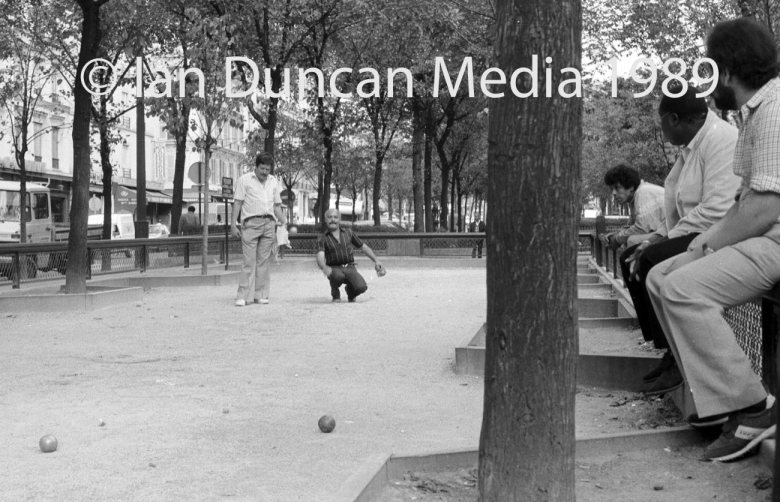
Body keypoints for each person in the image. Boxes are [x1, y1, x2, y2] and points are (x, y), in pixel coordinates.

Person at [646, 17, 780, 462]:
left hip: (775, 240)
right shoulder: (753, 111)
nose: (705, 86)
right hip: (763, 235)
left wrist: (704, 245)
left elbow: (763, 208)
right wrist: (699, 246)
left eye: (708, 71)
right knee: (661, 276)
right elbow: (748, 203)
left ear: (725, 71)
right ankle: (713, 401)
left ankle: (751, 407)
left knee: (682, 285)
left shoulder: (775, 108)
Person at [623, 86, 740, 396]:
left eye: (662, 124)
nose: (662, 133)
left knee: (649, 259)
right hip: (693, 232)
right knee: (631, 257)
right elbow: (676, 205)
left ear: (674, 119)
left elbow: (716, 209)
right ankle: (669, 349)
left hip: (719, 233)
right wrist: (658, 236)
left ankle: (679, 358)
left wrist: (661, 240)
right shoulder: (692, 145)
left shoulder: (721, 140)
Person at [231, 152, 286, 306]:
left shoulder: (274, 181)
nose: (264, 172)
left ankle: (260, 294)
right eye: (262, 168)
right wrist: (233, 224)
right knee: (248, 261)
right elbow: (238, 203)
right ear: (256, 166)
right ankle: (243, 295)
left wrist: (283, 222)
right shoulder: (244, 180)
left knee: (264, 262)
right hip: (250, 223)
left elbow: (276, 206)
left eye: (267, 169)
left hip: (269, 223)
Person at [316, 208, 385, 302]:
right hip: (334, 268)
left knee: (362, 287)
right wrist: (324, 267)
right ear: (325, 220)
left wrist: (376, 260)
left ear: (339, 219)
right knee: (337, 276)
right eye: (330, 217)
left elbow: (363, 247)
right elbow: (320, 255)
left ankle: (350, 292)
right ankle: (335, 293)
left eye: (335, 217)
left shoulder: (349, 233)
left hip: (350, 267)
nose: (333, 220)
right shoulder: (322, 238)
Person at [600, 164, 665, 251]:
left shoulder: (643, 193)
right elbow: (632, 225)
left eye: (617, 188)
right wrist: (615, 234)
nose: (614, 193)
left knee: (632, 241)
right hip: (665, 232)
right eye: (611, 189)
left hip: (675, 233)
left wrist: (617, 239)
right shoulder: (635, 197)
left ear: (631, 186)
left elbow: (642, 228)